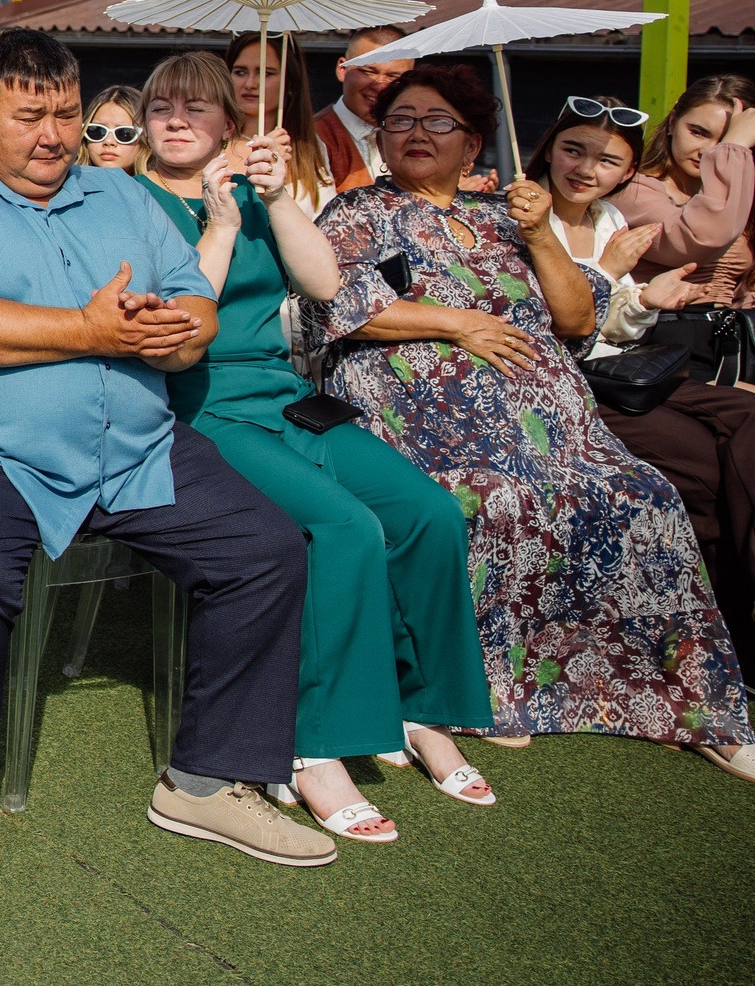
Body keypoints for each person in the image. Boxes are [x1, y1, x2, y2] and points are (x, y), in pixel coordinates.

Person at [0, 26, 327, 880]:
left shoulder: (121, 197)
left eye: (68, 113)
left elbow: (197, 305)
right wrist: (88, 330)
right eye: (28, 115)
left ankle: (201, 780)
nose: (53, 134)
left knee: (266, 550)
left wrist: (178, 334)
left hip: (135, 446)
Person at [305, 65, 754, 777]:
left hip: (550, 423)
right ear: (381, 137)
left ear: (474, 139)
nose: (417, 132)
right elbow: (340, 308)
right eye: (401, 120)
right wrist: (461, 323)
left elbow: (577, 319)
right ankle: (481, 692)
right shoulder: (358, 212)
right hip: (420, 414)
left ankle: (685, 700)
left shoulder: (503, 216)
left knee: (642, 493)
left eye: (438, 121)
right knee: (493, 496)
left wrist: (542, 233)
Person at [136, 51, 491, 842]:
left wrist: (277, 197)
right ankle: (311, 741)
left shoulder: (250, 190)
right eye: (163, 103)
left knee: (427, 512)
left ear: (232, 123)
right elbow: (174, 322)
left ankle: (420, 705)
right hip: (196, 402)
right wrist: (223, 227)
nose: (177, 117)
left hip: (282, 394)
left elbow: (326, 285)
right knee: (342, 526)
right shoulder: (126, 198)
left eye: (198, 107)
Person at [532, 93, 755, 667]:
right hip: (561, 382)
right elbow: (553, 323)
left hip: (619, 369)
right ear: (549, 151)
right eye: (573, 150)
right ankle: (724, 633)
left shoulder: (609, 217)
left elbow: (613, 319)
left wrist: (646, 301)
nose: (586, 169)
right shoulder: (523, 215)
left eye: (606, 161)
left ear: (628, 172)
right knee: (704, 468)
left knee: (746, 416)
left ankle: (732, 619)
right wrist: (607, 275)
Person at [613, 74, 754, 313]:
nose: (708, 151)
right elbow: (697, 238)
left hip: (731, 338)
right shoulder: (633, 189)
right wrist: (733, 147)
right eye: (698, 132)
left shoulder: (739, 191)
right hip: (664, 337)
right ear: (673, 121)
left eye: (723, 140)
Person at [227, 32, 333, 213]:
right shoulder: (212, 142)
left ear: (290, 84)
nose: (250, 83)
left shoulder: (308, 146)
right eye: (240, 72)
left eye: (266, 73)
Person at [317, 27, 413, 192]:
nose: (380, 85)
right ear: (342, 69)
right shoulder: (310, 138)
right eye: (368, 72)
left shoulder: (417, 135)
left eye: (393, 77)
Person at [83, 85, 146, 173]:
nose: (108, 141)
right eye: (97, 130)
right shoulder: (65, 184)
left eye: (125, 133)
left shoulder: (159, 186)